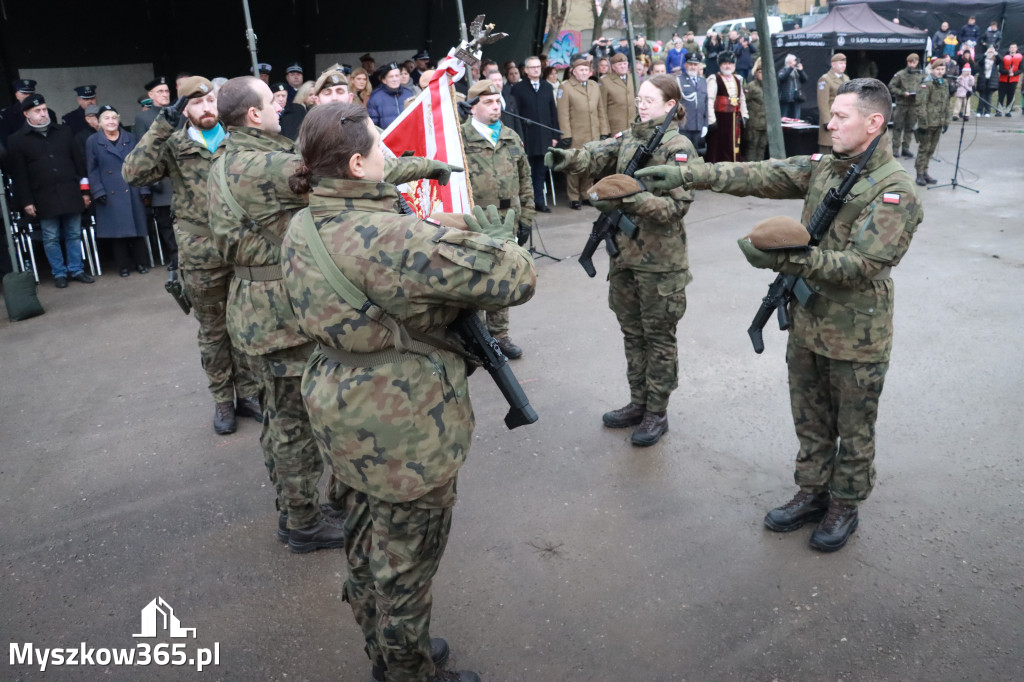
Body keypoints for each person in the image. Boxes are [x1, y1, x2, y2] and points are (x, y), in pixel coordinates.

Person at [282, 101, 536, 682]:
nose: (388, 155)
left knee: (365, 540)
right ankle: (407, 671)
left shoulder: (302, 224)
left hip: (338, 402)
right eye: (379, 147)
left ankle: (383, 650)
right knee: (405, 568)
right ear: (356, 164)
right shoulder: (394, 237)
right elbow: (516, 278)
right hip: (403, 425)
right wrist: (493, 236)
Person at [636, 77, 924, 553]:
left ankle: (845, 504)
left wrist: (789, 261)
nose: (829, 123)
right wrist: (691, 175)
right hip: (809, 321)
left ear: (874, 122)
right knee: (809, 415)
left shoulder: (894, 191)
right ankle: (812, 491)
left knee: (852, 425)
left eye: (841, 116)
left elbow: (865, 266)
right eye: (832, 113)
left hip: (856, 333)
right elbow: (762, 174)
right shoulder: (829, 166)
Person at [206, 75, 347, 552]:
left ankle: (293, 512)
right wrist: (427, 167)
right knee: (294, 425)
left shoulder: (223, 160)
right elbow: (350, 175)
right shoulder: (268, 164)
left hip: (250, 307)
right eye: (271, 101)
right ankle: (304, 522)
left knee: (277, 417)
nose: (278, 106)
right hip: (281, 315)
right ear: (252, 115)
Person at [545, 75, 696, 447]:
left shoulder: (678, 147)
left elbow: (676, 208)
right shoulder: (629, 137)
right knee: (632, 333)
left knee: (658, 337)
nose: (641, 105)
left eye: (649, 100)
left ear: (669, 105)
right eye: (639, 99)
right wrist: (567, 158)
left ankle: (656, 412)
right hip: (625, 257)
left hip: (660, 261)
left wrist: (629, 200)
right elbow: (595, 152)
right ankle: (638, 401)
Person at [122, 76, 260, 435]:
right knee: (214, 331)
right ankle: (223, 401)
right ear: (185, 109)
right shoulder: (175, 144)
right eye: (196, 103)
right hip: (200, 254)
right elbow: (133, 173)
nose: (206, 108)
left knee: (243, 324)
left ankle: (247, 394)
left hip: (241, 248)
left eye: (210, 100)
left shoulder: (239, 140)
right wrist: (162, 126)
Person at [461, 80, 535, 360]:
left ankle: (500, 336)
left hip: (508, 218)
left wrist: (526, 216)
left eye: (497, 101)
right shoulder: (462, 139)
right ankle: (476, 338)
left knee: (502, 276)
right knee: (476, 278)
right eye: (488, 102)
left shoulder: (510, 137)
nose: (496, 107)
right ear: (473, 108)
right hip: (476, 219)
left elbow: (525, 178)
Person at [7, 93, 95, 288]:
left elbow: (79, 165)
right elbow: (20, 176)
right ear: (26, 114)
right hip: (43, 196)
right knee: (51, 236)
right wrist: (27, 202)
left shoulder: (64, 131)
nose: (43, 114)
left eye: (44, 109)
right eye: (37, 111)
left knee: (74, 233)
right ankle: (59, 273)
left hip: (70, 192)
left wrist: (85, 192)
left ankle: (76, 269)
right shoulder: (17, 140)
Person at [86, 104, 151, 277]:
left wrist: (144, 188)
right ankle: (123, 266)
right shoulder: (93, 141)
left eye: (114, 118)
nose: (111, 121)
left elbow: (140, 165)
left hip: (132, 189)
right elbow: (91, 170)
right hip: (109, 192)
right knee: (117, 234)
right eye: (106, 118)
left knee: (136, 231)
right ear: (99, 122)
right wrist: (98, 191)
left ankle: (141, 263)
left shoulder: (130, 138)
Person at [133, 76, 178, 269]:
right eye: (160, 91)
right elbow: (142, 149)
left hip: (180, 175)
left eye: (167, 91)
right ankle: (175, 258)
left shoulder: (178, 113)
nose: (165, 94)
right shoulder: (143, 117)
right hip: (161, 178)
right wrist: (151, 180)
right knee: (166, 223)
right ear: (151, 95)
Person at [556, 56, 609, 209]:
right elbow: (563, 113)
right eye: (581, 70)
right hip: (576, 134)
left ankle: (586, 194)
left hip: (593, 133)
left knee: (590, 166)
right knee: (574, 166)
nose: (584, 72)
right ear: (573, 71)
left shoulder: (594, 85)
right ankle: (573, 197)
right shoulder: (565, 87)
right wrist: (565, 134)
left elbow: (601, 110)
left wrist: (604, 131)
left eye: (587, 70)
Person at [511, 55, 560, 214]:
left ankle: (539, 201)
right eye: (532, 67)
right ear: (526, 70)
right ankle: (527, 203)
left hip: (544, 135)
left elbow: (553, 112)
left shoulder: (546, 86)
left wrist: (554, 135)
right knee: (527, 171)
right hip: (527, 136)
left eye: (538, 67)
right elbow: (515, 114)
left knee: (541, 171)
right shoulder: (518, 88)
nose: (536, 69)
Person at [706, 51, 747, 163]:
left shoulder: (738, 79)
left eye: (730, 63)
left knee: (734, 144)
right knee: (719, 147)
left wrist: (744, 115)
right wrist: (711, 120)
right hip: (720, 120)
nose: (728, 66)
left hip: (735, 119)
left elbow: (742, 99)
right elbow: (709, 100)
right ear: (720, 65)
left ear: (734, 65)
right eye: (725, 63)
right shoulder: (714, 79)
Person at [914, 58, 950, 186]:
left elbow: (946, 103)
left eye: (942, 69)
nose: (940, 72)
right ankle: (919, 173)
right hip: (928, 123)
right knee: (924, 148)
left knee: (931, 149)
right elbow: (920, 104)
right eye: (938, 69)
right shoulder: (926, 84)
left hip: (938, 122)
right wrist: (923, 123)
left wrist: (946, 121)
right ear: (933, 70)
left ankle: (925, 171)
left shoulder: (944, 83)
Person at [888, 53, 925, 159]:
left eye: (914, 62)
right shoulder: (900, 74)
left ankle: (905, 149)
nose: (911, 65)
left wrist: (920, 93)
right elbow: (891, 86)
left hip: (913, 105)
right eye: (909, 62)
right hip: (901, 104)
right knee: (897, 127)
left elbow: (925, 87)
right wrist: (902, 93)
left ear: (917, 62)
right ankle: (895, 149)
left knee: (909, 128)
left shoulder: (921, 75)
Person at [816, 53, 850, 153]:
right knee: (827, 149)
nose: (843, 65)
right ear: (833, 64)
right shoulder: (825, 79)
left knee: (841, 149)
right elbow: (823, 102)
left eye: (844, 63)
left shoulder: (846, 78)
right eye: (840, 63)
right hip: (831, 118)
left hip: (843, 118)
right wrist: (827, 121)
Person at [677, 53, 708, 150]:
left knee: (697, 153)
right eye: (690, 64)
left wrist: (705, 125)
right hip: (684, 126)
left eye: (695, 65)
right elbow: (675, 104)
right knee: (683, 153)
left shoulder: (703, 81)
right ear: (685, 65)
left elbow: (706, 104)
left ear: (699, 66)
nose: (693, 67)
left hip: (698, 125)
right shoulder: (679, 80)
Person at [367, 63, 412, 129]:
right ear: (384, 80)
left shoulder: (408, 94)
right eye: (391, 77)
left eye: (397, 76)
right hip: (387, 138)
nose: (395, 79)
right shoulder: (375, 98)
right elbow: (373, 126)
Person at [603, 53, 637, 138]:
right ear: (613, 67)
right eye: (619, 64)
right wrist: (605, 130)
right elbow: (602, 108)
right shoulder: (605, 81)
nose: (623, 66)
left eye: (625, 64)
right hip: (615, 127)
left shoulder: (633, 78)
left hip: (633, 125)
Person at [0, 78, 37, 146]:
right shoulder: (6, 115)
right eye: (24, 93)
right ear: (17, 95)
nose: (28, 96)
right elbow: (6, 141)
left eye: (31, 94)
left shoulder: (48, 113)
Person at [743, 58, 767, 161]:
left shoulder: (769, 86)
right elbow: (744, 101)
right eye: (760, 72)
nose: (762, 74)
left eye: (763, 72)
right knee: (752, 147)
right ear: (756, 73)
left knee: (762, 147)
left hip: (765, 123)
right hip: (754, 123)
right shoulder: (751, 87)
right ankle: (751, 170)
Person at [778, 54, 807, 119]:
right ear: (789, 62)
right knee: (784, 118)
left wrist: (801, 71)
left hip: (796, 99)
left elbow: (805, 80)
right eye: (794, 61)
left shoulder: (797, 71)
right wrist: (791, 68)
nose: (796, 62)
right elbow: (782, 77)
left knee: (796, 118)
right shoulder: (783, 70)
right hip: (786, 99)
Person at [997, 44, 1021, 116]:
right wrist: (1007, 72)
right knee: (1001, 95)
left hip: (1013, 80)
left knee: (1010, 95)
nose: (1012, 49)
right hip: (1003, 79)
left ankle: (1008, 111)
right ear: (1009, 49)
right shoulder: (1004, 57)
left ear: (1016, 49)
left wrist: (1014, 73)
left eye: (1014, 47)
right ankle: (999, 110)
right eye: (1011, 47)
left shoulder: (1020, 58)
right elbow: (1000, 69)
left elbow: (1021, 69)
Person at [976, 46, 1000, 116]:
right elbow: (979, 62)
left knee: (988, 97)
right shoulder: (984, 60)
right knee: (981, 97)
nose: (990, 53)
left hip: (991, 81)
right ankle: (979, 111)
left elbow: (1000, 60)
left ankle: (987, 111)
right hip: (983, 80)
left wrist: (996, 54)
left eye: (991, 52)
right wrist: (985, 55)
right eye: (989, 52)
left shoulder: (995, 60)